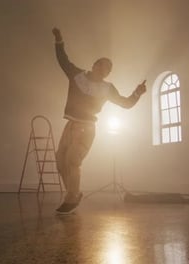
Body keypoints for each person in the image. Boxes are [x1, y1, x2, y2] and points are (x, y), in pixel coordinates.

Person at [52, 27, 147, 214]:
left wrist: (137, 93)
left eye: (108, 69)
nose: (105, 70)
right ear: (94, 65)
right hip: (70, 124)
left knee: (73, 160)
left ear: (108, 74)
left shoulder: (108, 88)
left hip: (87, 128)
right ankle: (74, 193)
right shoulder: (77, 75)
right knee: (60, 162)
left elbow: (125, 103)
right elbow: (63, 60)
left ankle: (72, 197)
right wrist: (59, 40)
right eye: (102, 65)